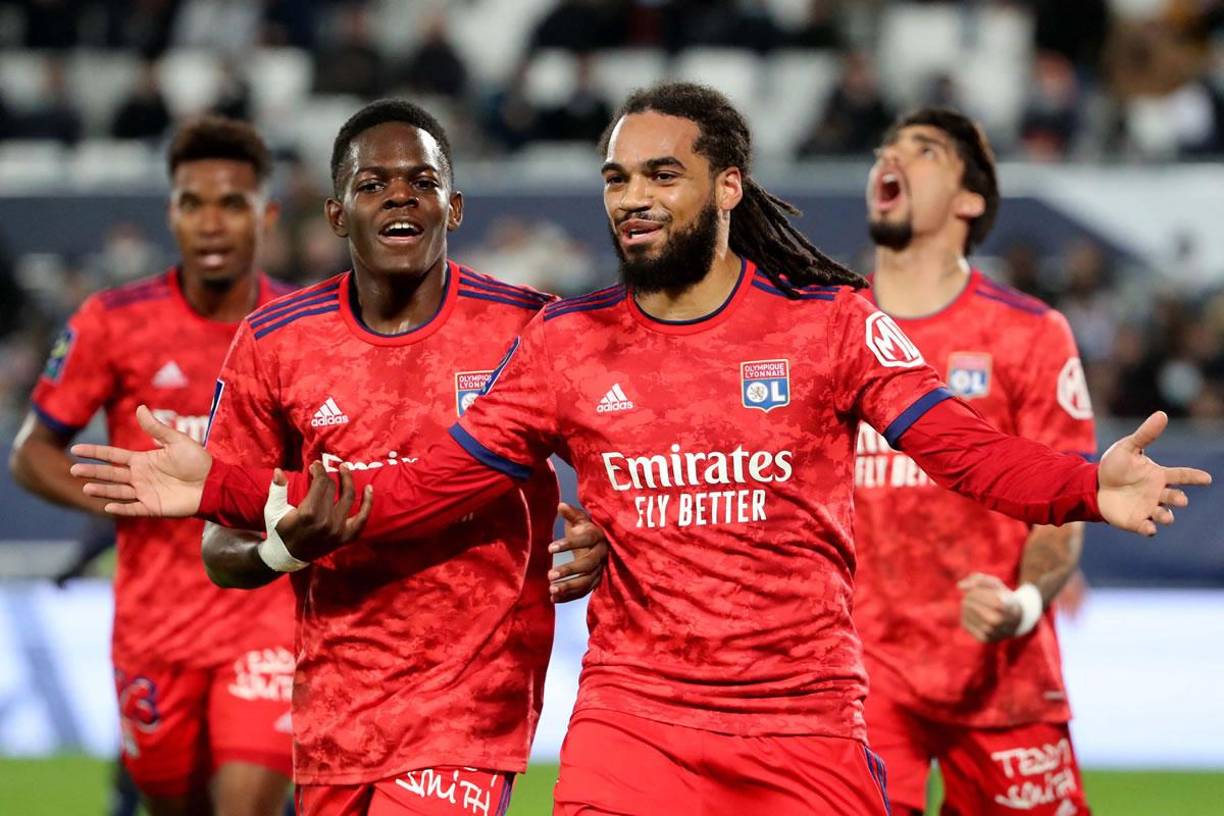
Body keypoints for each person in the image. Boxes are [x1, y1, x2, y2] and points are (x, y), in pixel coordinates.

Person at [71, 84, 1210, 816]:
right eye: (616, 177)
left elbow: (962, 452)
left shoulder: (826, 322)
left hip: (803, 721)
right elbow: (415, 493)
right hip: (634, 724)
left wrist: (1084, 485)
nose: (631, 197)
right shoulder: (565, 346)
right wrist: (220, 484)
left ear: (725, 187)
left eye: (660, 174)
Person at [180, 99, 608, 815]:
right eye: (373, 184)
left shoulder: (527, 327)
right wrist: (282, 552)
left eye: (422, 181)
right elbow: (222, 546)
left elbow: (619, 459)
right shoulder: (275, 342)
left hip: (473, 700)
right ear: (337, 214)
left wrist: (604, 531)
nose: (401, 195)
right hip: (334, 713)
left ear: (455, 207)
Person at [10, 116, 297, 816]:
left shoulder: (301, 327)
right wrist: (120, 494)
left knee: (247, 805)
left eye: (231, 204)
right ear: (170, 212)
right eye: (192, 203)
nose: (211, 223)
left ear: (265, 213)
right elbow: (31, 453)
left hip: (264, 618)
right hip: (153, 631)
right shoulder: (112, 322)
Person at [852, 107, 1093, 815]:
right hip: (860, 677)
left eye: (922, 151)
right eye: (884, 148)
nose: (888, 160)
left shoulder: (1027, 335)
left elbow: (1063, 505)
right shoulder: (826, 327)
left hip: (1001, 671)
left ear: (970, 200)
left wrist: (1021, 606)